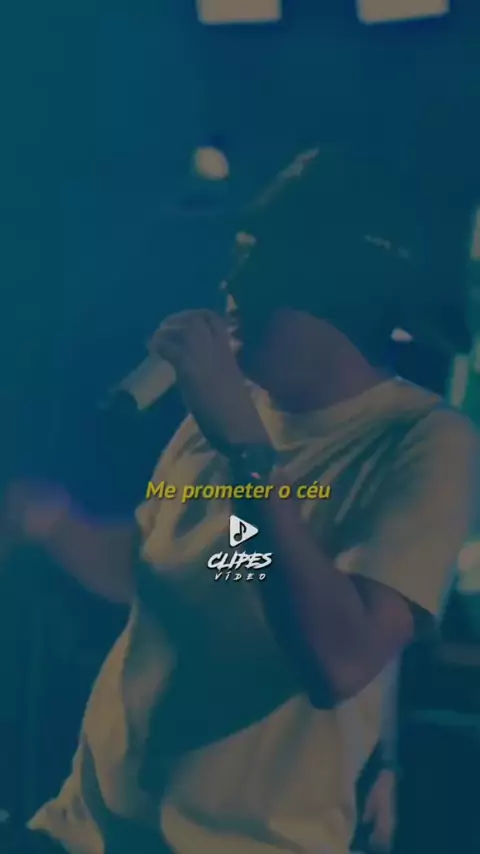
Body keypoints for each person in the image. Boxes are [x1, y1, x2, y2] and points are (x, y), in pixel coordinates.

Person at [5, 148, 478, 854]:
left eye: (258, 261)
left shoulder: (423, 439)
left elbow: (341, 660)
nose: (231, 285)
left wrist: (248, 453)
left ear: (333, 289)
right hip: (84, 829)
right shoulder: (226, 417)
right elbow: (194, 569)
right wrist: (49, 522)